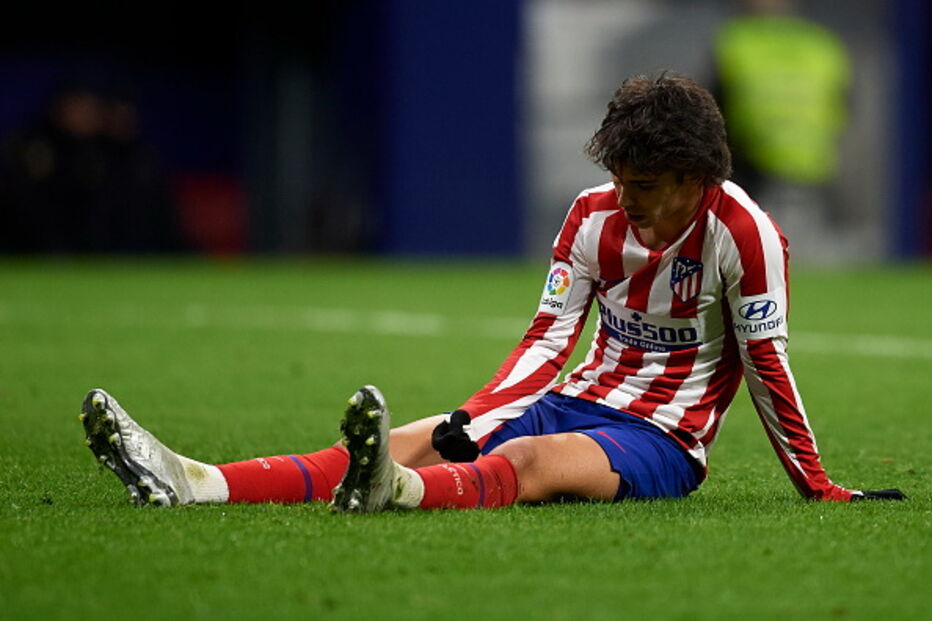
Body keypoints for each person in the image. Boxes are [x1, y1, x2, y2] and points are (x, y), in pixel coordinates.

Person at [79, 73, 905, 511]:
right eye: (619, 181)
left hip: (663, 438)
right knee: (415, 434)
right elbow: (549, 339)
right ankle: (197, 481)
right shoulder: (590, 218)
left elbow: (766, 366)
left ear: (695, 178)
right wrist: (472, 411)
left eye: (646, 185)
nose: (627, 201)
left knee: (529, 460)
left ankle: (396, 495)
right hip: (576, 395)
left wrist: (819, 485)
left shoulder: (747, 234)